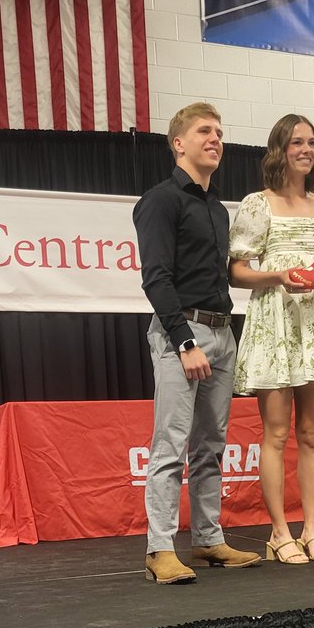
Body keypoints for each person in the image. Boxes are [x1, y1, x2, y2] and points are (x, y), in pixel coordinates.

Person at [132, 103, 262, 583]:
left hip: (224, 332)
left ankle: (208, 539)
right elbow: (156, 278)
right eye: (204, 131)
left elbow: (224, 277)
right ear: (178, 143)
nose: (216, 138)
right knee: (170, 444)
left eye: (220, 132)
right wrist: (184, 340)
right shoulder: (161, 201)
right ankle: (159, 549)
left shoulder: (214, 208)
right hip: (181, 333)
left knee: (211, 445)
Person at [229, 113, 314, 564]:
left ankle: (312, 531)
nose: (306, 149)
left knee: (312, 434)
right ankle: (278, 532)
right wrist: (278, 275)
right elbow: (237, 270)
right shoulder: (257, 204)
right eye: (296, 142)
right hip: (275, 321)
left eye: (312, 143)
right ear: (279, 149)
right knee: (277, 433)